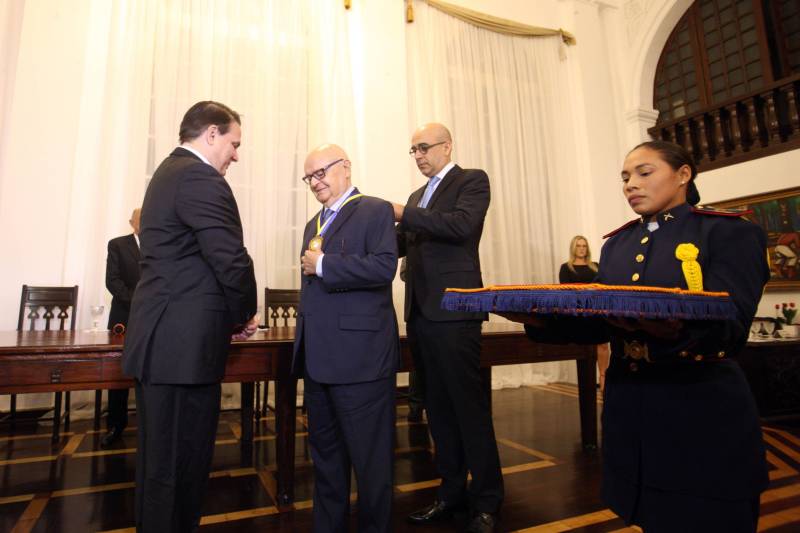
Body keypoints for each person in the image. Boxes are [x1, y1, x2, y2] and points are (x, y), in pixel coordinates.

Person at [513, 141, 769, 532]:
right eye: (625, 177)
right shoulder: (618, 244)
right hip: (633, 408)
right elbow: (602, 323)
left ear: (683, 175)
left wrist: (669, 328)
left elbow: (730, 328)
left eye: (644, 173)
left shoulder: (726, 232)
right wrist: (541, 319)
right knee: (652, 516)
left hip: (698, 409)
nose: (631, 184)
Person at [122, 101, 258, 533]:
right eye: (234, 143)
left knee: (160, 468)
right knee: (181, 466)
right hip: (182, 350)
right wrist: (244, 314)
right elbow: (230, 259)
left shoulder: (168, 172)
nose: (236, 154)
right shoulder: (199, 177)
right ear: (212, 134)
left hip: (163, 344)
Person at [393, 123, 503, 533]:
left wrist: (404, 214)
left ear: (446, 146)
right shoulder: (415, 197)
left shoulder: (471, 180)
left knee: (469, 410)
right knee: (436, 411)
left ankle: (488, 501)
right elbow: (399, 242)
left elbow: (460, 226)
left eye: (423, 147)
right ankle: (451, 493)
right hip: (421, 314)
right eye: (413, 149)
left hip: (456, 311)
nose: (418, 155)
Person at [294, 144, 399, 533]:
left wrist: (323, 264)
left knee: (371, 465)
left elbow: (384, 266)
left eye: (321, 172)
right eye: (310, 177)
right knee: (326, 461)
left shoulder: (374, 209)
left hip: (361, 361)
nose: (315, 182)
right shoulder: (312, 224)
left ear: (346, 168)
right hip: (318, 361)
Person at [101, 207, 142, 448]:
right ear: (131, 222)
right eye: (140, 217)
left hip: (153, 319)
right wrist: (137, 301)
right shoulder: (117, 245)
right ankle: (116, 425)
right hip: (124, 317)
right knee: (119, 372)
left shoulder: (161, 244)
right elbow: (112, 280)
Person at [558, 235, 610, 391]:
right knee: (586, 346)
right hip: (578, 311)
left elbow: (602, 286)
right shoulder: (566, 267)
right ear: (573, 248)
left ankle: (603, 377)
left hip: (596, 308)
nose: (581, 248)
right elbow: (566, 291)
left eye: (584, 246)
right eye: (578, 246)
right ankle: (587, 380)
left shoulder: (595, 265)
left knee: (603, 343)